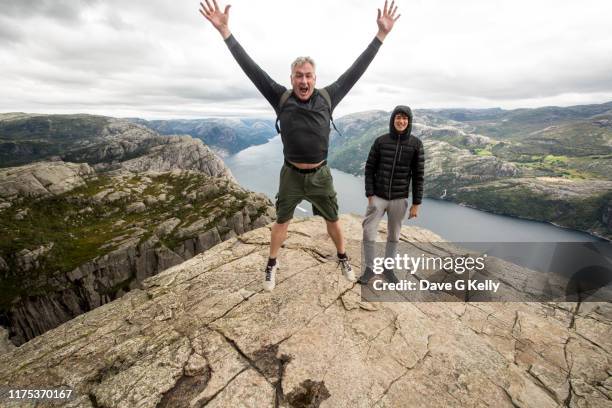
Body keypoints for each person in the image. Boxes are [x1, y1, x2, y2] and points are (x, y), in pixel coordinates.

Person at [199, 0, 401, 291]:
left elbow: (356, 71)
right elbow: (250, 68)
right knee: (281, 221)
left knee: (333, 219)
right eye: (298, 76)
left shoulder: (329, 96)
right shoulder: (280, 97)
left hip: (320, 175)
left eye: (308, 76)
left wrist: (380, 37)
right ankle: (271, 263)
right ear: (291, 79)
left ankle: (343, 257)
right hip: (291, 174)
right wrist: (225, 32)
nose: (303, 80)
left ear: (315, 79)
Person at [359, 106, 424, 284]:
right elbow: (369, 168)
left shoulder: (416, 144)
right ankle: (370, 269)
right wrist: (370, 194)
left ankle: (388, 269)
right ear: (393, 120)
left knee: (394, 236)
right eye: (398, 117)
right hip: (378, 197)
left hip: (399, 198)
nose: (401, 121)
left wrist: (416, 203)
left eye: (405, 118)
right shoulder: (381, 141)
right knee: (368, 232)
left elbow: (418, 175)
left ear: (409, 121)